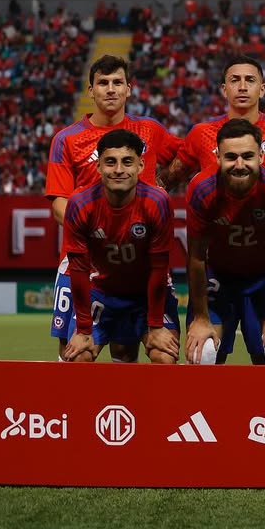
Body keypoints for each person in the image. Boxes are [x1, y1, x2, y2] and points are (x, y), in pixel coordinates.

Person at [45, 54, 181, 360]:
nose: (110, 89)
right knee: (72, 352)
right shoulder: (66, 139)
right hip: (86, 259)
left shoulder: (150, 130)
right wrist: (103, 232)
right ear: (90, 91)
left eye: (117, 82)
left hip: (139, 256)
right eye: (102, 83)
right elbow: (59, 205)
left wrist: (165, 182)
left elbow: (186, 156)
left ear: (128, 89)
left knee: (126, 350)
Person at [184, 119, 265, 365]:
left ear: (261, 157)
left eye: (247, 156)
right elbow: (196, 256)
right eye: (231, 157)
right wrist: (201, 318)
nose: (239, 165)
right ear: (217, 157)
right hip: (220, 275)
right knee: (202, 353)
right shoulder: (202, 189)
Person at [61, 129, 180, 363]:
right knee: (79, 356)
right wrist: (83, 329)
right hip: (101, 292)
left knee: (164, 356)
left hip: (147, 295)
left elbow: (159, 268)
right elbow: (79, 270)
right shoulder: (80, 203)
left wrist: (156, 326)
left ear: (140, 166)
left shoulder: (157, 202)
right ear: (98, 167)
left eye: (127, 162)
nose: (118, 170)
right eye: (110, 162)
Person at [161, 55, 265, 194]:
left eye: (250, 80)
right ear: (224, 90)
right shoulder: (201, 134)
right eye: (234, 80)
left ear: (262, 90)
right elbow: (163, 183)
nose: (242, 87)